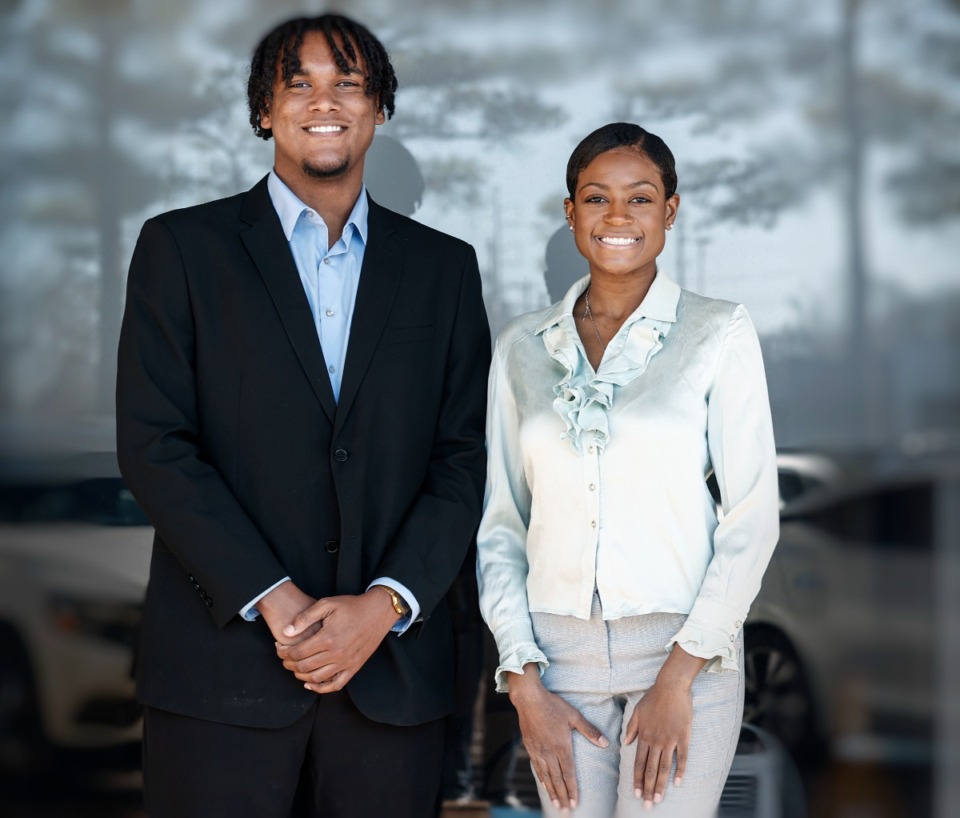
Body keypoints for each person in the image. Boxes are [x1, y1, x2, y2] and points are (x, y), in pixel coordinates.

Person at [116, 14, 490, 818]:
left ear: (379, 108)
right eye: (300, 83)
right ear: (264, 110)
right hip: (221, 678)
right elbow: (155, 445)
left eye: (348, 83)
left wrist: (384, 604)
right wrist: (275, 598)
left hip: (389, 686)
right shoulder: (181, 250)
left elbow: (463, 458)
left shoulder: (443, 270)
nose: (326, 101)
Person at [477, 122, 779, 818]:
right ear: (570, 211)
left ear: (670, 210)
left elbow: (752, 517)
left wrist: (679, 677)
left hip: (684, 655)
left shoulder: (719, 331)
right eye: (596, 198)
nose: (617, 217)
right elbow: (501, 525)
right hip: (556, 665)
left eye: (640, 199)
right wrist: (523, 681)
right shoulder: (521, 347)